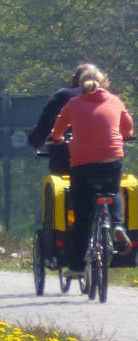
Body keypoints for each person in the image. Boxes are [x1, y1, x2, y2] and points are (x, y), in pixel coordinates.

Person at [49, 66, 134, 276]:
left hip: (82, 164)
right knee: (113, 190)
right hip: (111, 160)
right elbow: (128, 127)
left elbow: (58, 130)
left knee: (83, 217)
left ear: (79, 84)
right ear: (105, 82)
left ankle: (76, 266)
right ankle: (117, 225)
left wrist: (57, 139)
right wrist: (123, 135)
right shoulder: (115, 101)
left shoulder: (73, 103)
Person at [28, 63, 96, 174]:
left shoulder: (63, 96)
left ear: (74, 79)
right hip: (107, 161)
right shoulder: (110, 99)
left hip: (68, 160)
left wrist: (35, 140)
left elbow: (45, 124)